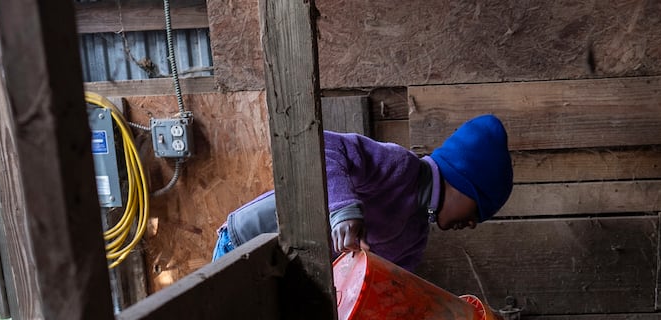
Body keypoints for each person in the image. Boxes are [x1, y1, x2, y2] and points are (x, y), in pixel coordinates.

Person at [212, 113, 514, 271]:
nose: (474, 222)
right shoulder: (399, 166)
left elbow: (392, 284)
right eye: (479, 207)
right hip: (248, 243)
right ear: (461, 180)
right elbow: (324, 145)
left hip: (286, 271)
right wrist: (344, 209)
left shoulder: (414, 237)